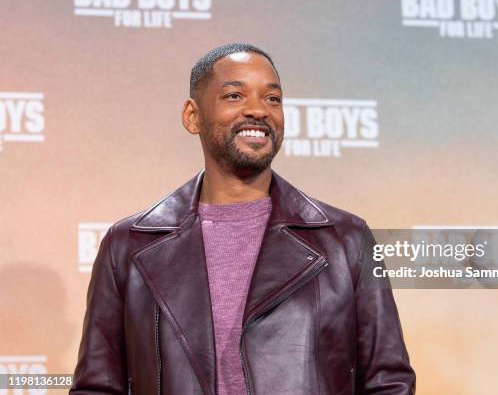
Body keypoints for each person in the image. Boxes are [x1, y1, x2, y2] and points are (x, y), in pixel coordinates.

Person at [70, 43, 416, 394]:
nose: (258, 110)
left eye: (272, 99)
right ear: (193, 116)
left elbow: (388, 382)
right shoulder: (128, 245)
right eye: (235, 96)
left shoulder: (346, 239)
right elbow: (98, 386)